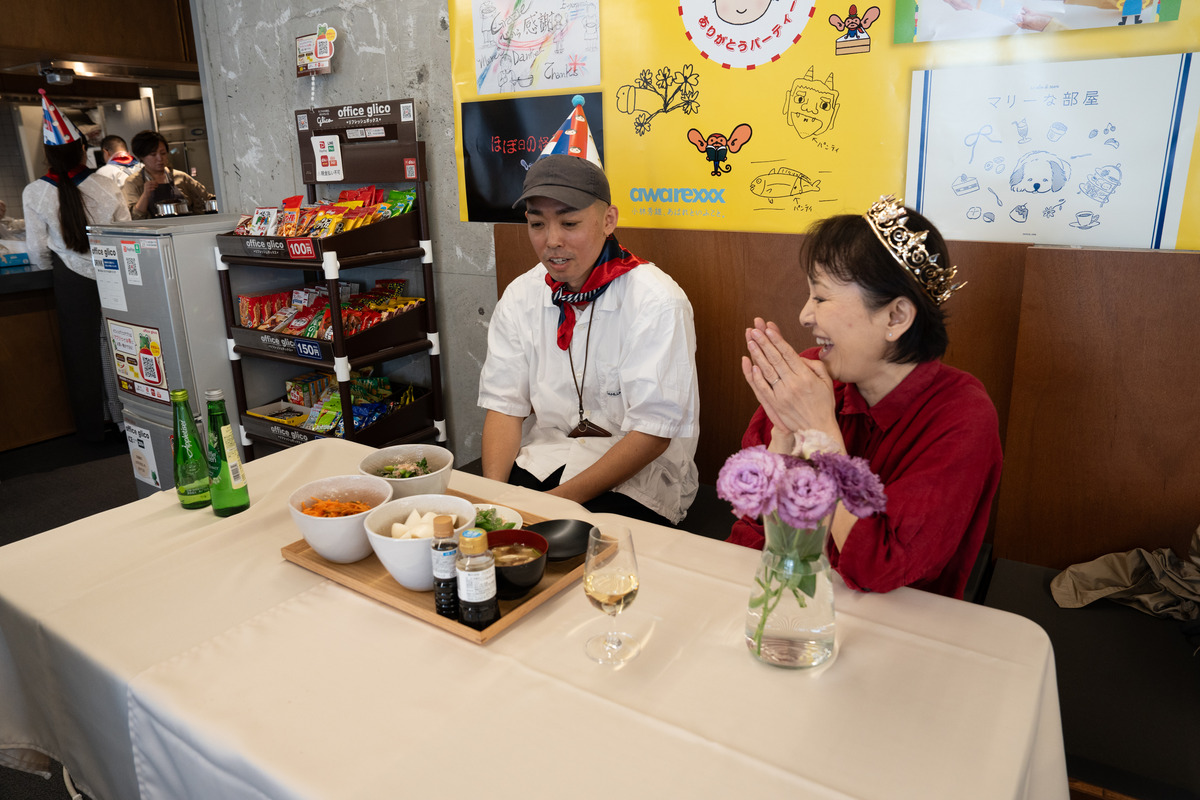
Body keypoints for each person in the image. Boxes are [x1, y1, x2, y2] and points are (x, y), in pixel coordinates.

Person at [729, 195, 1002, 599]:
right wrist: (783, 440)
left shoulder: (963, 416)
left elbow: (879, 566)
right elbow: (750, 525)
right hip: (786, 601)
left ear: (895, 317)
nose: (805, 316)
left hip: (901, 620)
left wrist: (821, 433)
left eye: (821, 298)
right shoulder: (812, 374)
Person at [478, 100, 699, 527]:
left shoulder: (656, 300)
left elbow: (653, 434)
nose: (551, 241)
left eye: (570, 223)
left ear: (608, 220)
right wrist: (494, 502)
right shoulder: (521, 296)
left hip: (638, 479)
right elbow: (504, 407)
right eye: (537, 224)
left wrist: (551, 507)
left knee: (569, 550)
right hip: (545, 459)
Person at [22, 90, 131, 442]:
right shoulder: (106, 185)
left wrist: (47, 266)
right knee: (122, 345)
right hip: (114, 274)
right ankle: (131, 419)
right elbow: (126, 232)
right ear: (83, 150)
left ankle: (92, 429)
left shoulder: (35, 192)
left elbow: (37, 249)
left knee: (81, 353)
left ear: (48, 155)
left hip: (70, 279)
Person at [121, 130, 213, 219]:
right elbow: (134, 217)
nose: (160, 158)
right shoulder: (133, 182)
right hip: (155, 229)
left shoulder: (181, 177)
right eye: (153, 154)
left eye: (163, 153)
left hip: (186, 226)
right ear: (141, 157)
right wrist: (145, 195)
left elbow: (207, 198)